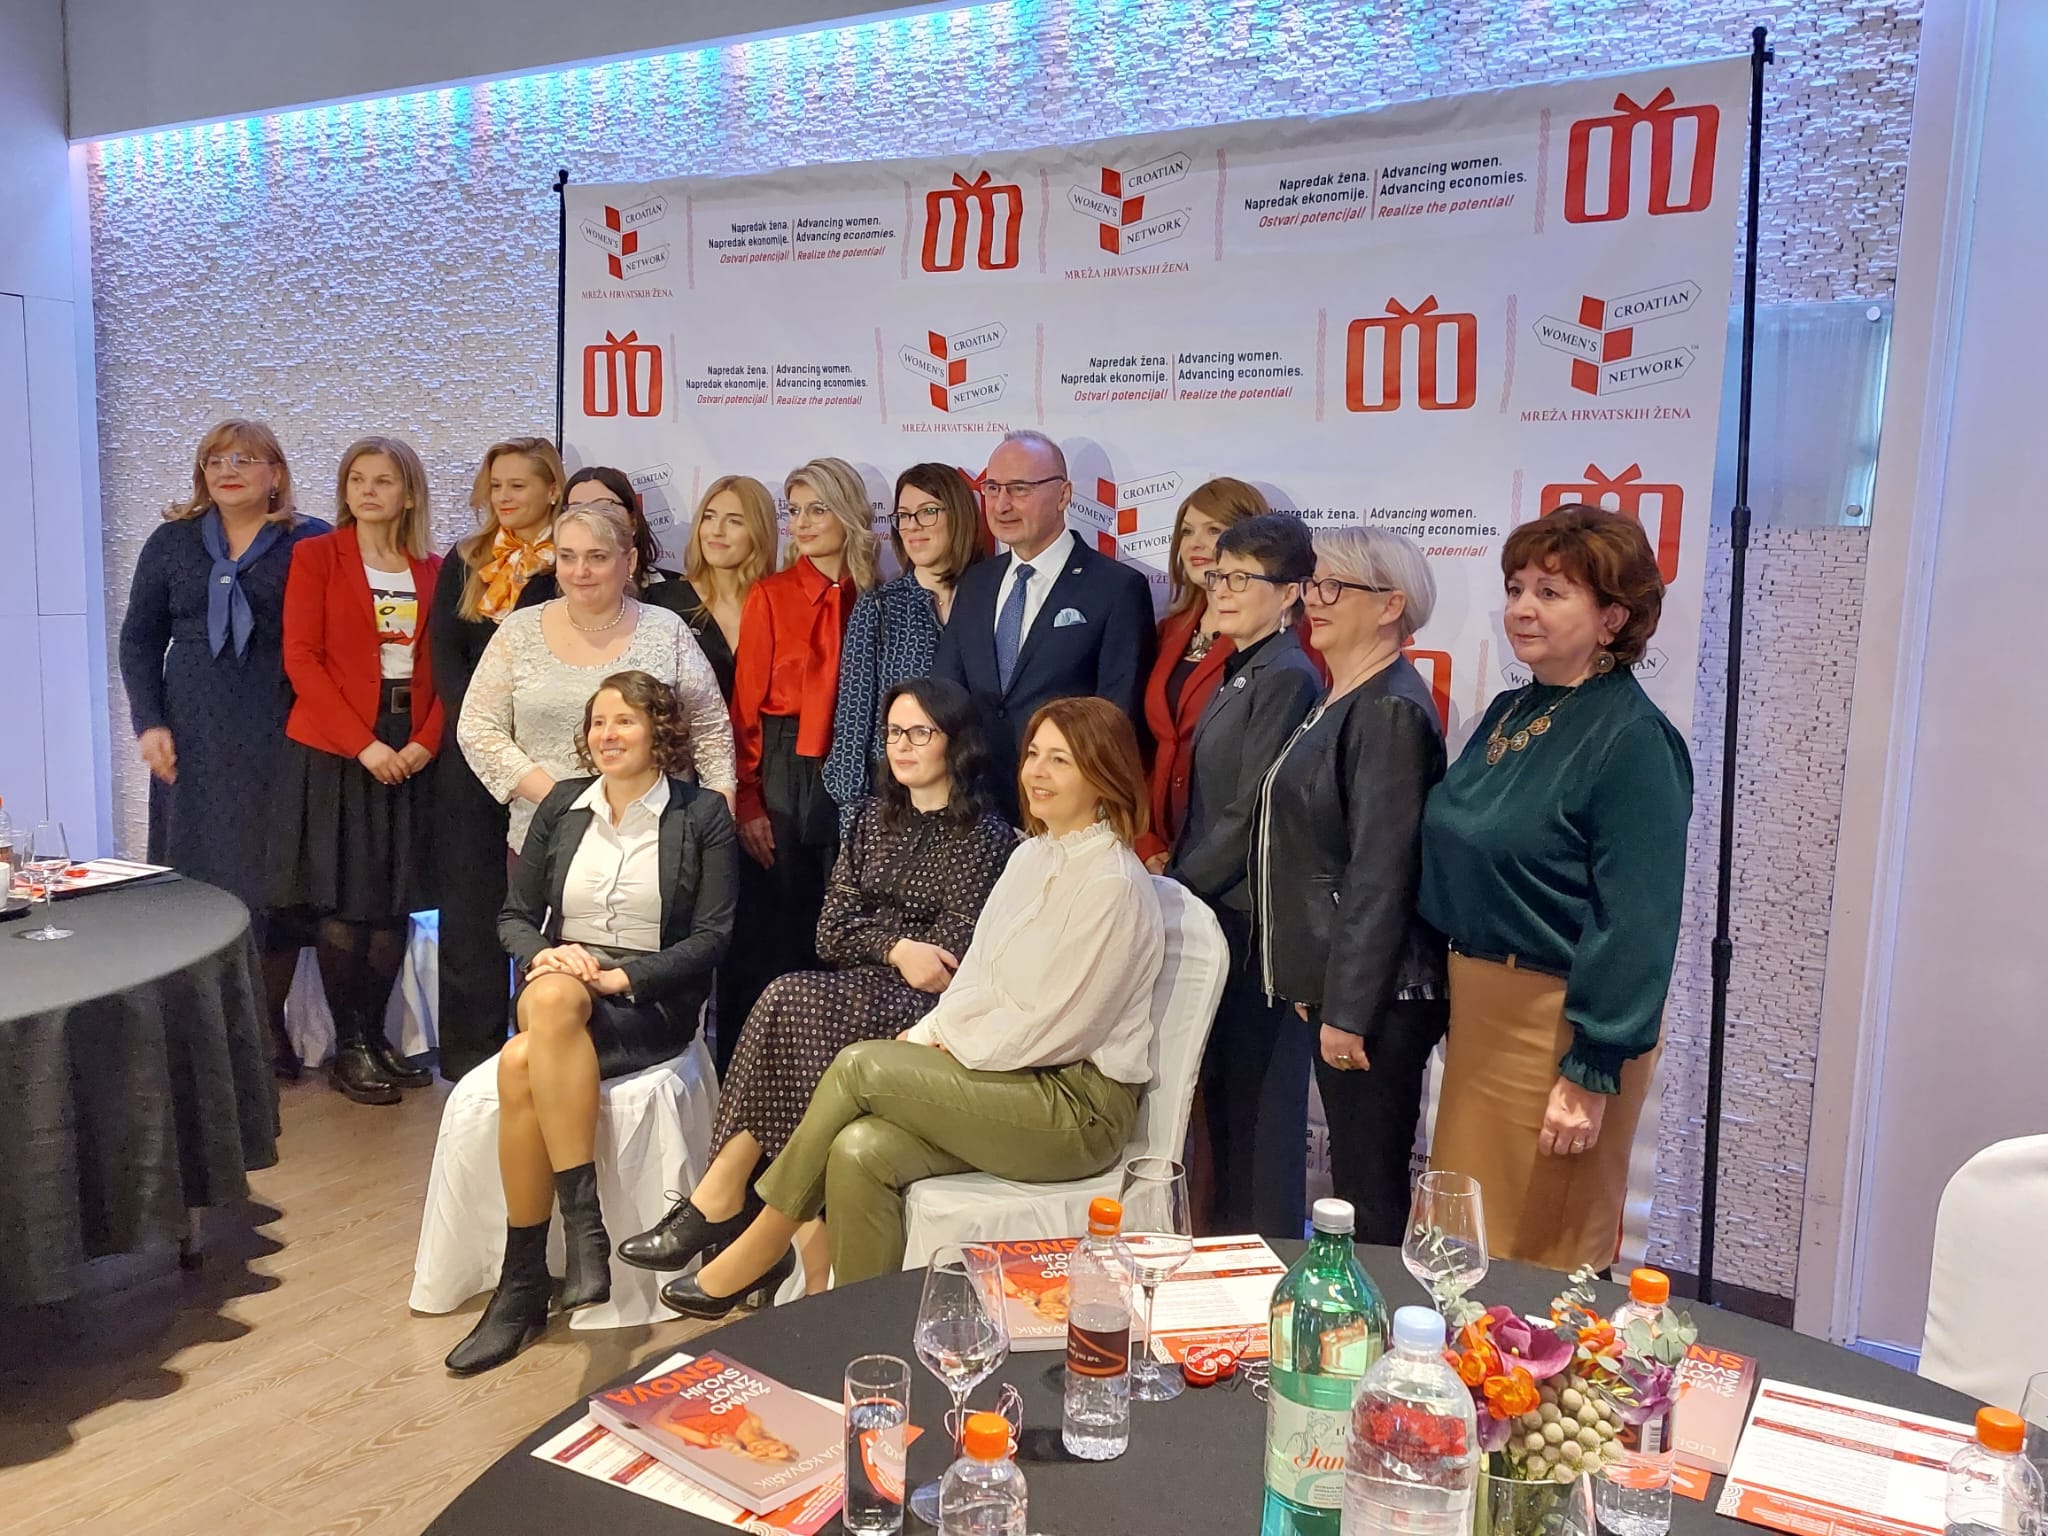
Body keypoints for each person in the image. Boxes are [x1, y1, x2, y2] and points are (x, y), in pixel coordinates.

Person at [660, 697, 1164, 1310]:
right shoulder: (1033, 856)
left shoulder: (1112, 882)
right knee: (858, 1150)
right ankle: (854, 1326)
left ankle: (761, 1244)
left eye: (1060, 760)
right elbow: (976, 976)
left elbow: (1057, 1027)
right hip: (1013, 1079)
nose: (1037, 771)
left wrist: (946, 1045)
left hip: (1077, 1107)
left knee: (860, 1065)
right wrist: (930, 1035)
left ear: (1104, 774)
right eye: (1034, 753)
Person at [615, 677, 1015, 1275]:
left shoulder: (985, 836)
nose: (902, 746)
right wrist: (897, 947)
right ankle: (769, 1223)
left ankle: (728, 1205)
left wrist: (888, 949)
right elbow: (830, 933)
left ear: (955, 742)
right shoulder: (870, 819)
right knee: (791, 1001)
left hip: (929, 1008)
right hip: (861, 985)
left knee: (795, 1001)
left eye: (920, 733)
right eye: (894, 733)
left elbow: (944, 963)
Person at [1420, 505, 1693, 1271]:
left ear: (1613, 618)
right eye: (1516, 589)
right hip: (1479, 1018)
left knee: (1539, 1255)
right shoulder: (1512, 711)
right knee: (1463, 1245)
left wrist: (1589, 1074)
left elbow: (1636, 920)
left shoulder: (1633, 739)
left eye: (1550, 592)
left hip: (1559, 1031)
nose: (1521, 609)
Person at [444, 671, 737, 1374]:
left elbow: (713, 937)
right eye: (598, 722)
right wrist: (548, 955)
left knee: (521, 1061)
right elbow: (515, 917)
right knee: (550, 1000)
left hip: (647, 998)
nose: (607, 735)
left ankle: (524, 1284)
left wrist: (621, 977)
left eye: (624, 721)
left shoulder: (702, 814)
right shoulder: (563, 805)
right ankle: (583, 1237)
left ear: (659, 731)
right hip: (561, 980)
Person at [1252, 526, 1448, 1246]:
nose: (1315, 599)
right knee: (1357, 1187)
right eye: (1312, 584)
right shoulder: (1346, 696)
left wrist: (1348, 1009)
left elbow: (1381, 872)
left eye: (1335, 586)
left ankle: (1381, 1315)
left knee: (1369, 1190)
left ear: (1392, 605)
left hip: (1380, 1000)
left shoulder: (1389, 709)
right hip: (1346, 987)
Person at [118, 419, 329, 1079]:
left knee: (278, 881)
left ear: (276, 474)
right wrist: (149, 722)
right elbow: (139, 638)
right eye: (215, 460)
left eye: (245, 459)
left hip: (282, 727)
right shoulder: (173, 541)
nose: (228, 470)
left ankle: (265, 1031)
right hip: (194, 733)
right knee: (199, 877)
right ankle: (200, 1038)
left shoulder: (311, 541)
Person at [270, 437, 444, 1104]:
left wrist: (425, 742)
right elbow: (301, 658)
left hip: (410, 745)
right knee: (346, 899)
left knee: (393, 900)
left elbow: (453, 668)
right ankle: (349, 1049)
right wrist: (363, 745)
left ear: (409, 494)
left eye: (384, 480)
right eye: (357, 479)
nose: (369, 491)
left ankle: (375, 1038)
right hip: (337, 748)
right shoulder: (316, 557)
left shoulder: (435, 570)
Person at [1164, 514, 1321, 1239]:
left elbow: (1249, 811)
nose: (1221, 590)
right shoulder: (1245, 665)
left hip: (1249, 921)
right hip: (1216, 911)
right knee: (1223, 1110)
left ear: (1290, 593)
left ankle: (1264, 1258)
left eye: (1240, 578)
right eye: (1217, 575)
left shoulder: (1287, 675)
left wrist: (1176, 889)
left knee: (1259, 1116)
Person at [457, 496, 735, 861]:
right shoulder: (518, 631)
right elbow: (476, 726)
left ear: (629, 561)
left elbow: (710, 729)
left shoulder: (666, 630)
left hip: (656, 844)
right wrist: (559, 797)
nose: (580, 571)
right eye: (567, 556)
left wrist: (719, 815)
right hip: (547, 839)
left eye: (597, 557)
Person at [720, 457, 880, 1071]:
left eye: (818, 509)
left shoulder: (880, 596)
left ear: (849, 513)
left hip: (860, 762)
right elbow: (745, 709)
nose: (804, 523)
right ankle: (754, 1075)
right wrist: (749, 799)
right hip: (784, 765)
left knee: (845, 921)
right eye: (795, 510)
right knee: (777, 925)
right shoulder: (772, 594)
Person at [430, 437, 565, 1083]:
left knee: (544, 909)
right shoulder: (464, 560)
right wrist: (482, 730)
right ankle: (468, 1060)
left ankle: (542, 1048)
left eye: (518, 485)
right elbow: (445, 657)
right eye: (496, 485)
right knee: (468, 906)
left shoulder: (570, 560)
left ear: (551, 489)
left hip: (544, 759)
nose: (504, 497)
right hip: (472, 756)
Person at [934, 431, 1156, 819]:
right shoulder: (976, 583)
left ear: (1064, 494)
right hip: (977, 811)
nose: (1002, 504)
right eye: (992, 488)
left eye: (1020, 489)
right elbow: (946, 692)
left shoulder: (1116, 588)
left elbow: (1117, 718)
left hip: (1065, 813)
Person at [821, 463, 986, 824]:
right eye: (904, 516)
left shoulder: (991, 597)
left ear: (958, 516)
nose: (912, 526)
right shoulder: (880, 605)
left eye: (927, 512)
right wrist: (853, 820)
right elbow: (853, 724)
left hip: (980, 801)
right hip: (896, 806)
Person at [1136, 478, 1271, 874]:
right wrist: (1143, 838)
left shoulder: (1274, 639)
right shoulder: (1169, 631)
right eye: (1187, 531)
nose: (1195, 544)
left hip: (1226, 858)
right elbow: (1143, 746)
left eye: (1213, 530)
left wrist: (1199, 866)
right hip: (1157, 846)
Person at [669, 474, 778, 704]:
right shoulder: (664, 602)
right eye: (709, 517)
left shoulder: (780, 607)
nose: (716, 530)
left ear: (759, 532)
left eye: (734, 521)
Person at [560, 465, 700, 626]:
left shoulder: (677, 594)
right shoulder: (544, 595)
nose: (591, 520)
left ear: (633, 520)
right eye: (577, 510)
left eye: (604, 508)